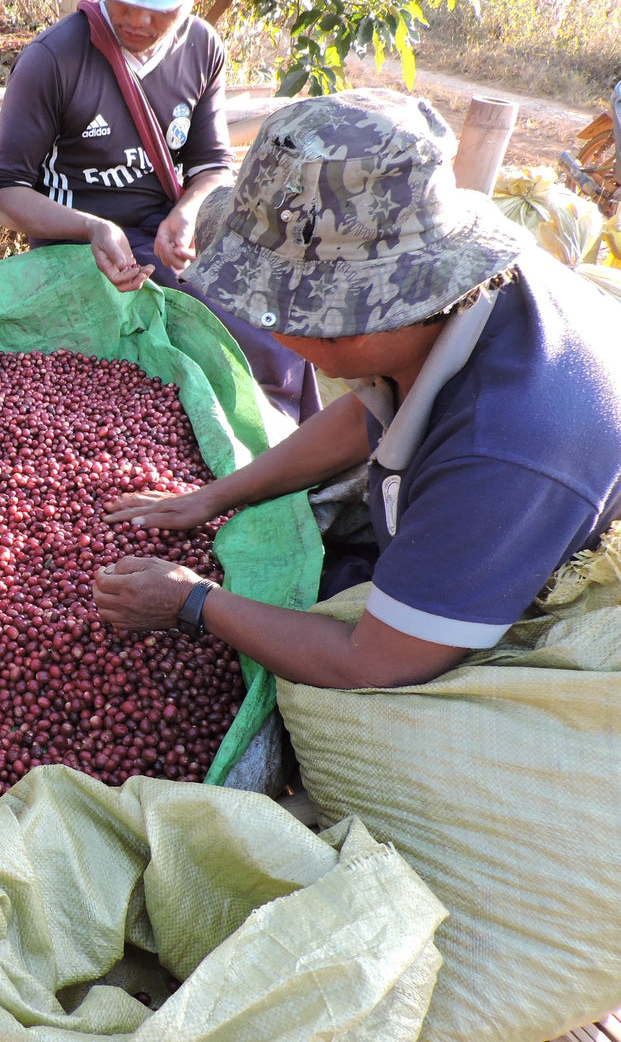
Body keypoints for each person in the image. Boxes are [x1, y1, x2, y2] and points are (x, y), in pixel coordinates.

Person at [93, 87, 621, 689]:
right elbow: (371, 412)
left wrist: (194, 603)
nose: (273, 330)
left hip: (558, 563)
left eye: (279, 317)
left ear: (351, 328)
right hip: (518, 477)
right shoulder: (438, 313)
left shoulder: (501, 446)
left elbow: (375, 662)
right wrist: (216, 496)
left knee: (352, 729)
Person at [0, 0, 321, 423]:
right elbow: (3, 191)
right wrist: (91, 227)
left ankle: (296, 459)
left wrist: (187, 211)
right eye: (125, 1)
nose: (138, 20)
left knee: (279, 335)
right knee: (209, 353)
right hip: (80, 248)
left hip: (165, 237)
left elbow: (212, 166)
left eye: (157, 7)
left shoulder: (201, 47)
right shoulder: (53, 59)